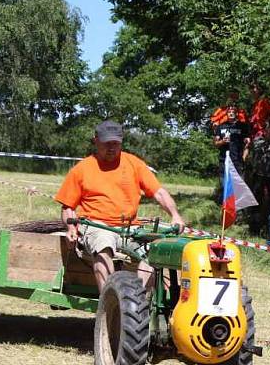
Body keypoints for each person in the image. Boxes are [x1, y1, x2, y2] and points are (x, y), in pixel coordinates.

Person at [55, 120, 185, 292]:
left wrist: (175, 215)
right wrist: (71, 228)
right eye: (106, 143)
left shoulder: (134, 164)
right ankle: (110, 304)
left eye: (115, 143)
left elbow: (159, 192)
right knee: (103, 245)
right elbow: (67, 206)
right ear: (96, 141)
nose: (111, 148)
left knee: (151, 252)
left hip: (129, 228)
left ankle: (140, 302)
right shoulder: (82, 169)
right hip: (96, 224)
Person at [247, 122, 270, 234]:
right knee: (256, 202)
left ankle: (269, 228)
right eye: (268, 130)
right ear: (264, 131)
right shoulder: (257, 141)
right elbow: (248, 151)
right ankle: (254, 229)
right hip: (258, 175)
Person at [213, 105, 251, 176]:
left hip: (237, 160)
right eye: (229, 112)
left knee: (238, 185)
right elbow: (215, 143)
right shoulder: (220, 126)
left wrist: (244, 157)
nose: (231, 113)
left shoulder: (242, 126)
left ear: (236, 114)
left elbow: (247, 144)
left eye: (233, 112)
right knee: (223, 183)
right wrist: (222, 142)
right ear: (226, 114)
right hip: (224, 159)